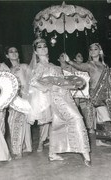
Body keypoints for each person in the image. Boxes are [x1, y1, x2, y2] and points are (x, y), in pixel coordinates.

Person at [27, 38, 91, 166]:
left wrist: (73, 85)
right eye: (39, 47)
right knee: (77, 118)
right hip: (56, 98)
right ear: (35, 51)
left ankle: (52, 153)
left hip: (66, 96)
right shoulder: (40, 67)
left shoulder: (53, 66)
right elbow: (33, 81)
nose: (43, 48)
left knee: (57, 124)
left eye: (45, 46)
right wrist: (48, 88)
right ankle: (85, 153)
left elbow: (63, 82)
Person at [61, 43, 111, 153]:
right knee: (105, 118)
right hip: (96, 95)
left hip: (107, 96)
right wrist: (69, 61)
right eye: (91, 49)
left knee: (102, 117)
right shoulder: (90, 65)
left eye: (95, 49)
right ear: (89, 52)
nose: (93, 51)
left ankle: (100, 140)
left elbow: (109, 82)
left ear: (100, 51)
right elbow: (79, 66)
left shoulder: (105, 66)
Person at [5, 46, 32, 159]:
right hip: (13, 99)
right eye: (11, 52)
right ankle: (27, 147)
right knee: (15, 121)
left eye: (16, 51)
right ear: (7, 55)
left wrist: (27, 92)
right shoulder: (8, 71)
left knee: (19, 121)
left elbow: (32, 79)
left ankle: (18, 150)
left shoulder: (24, 66)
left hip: (24, 97)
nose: (14, 53)